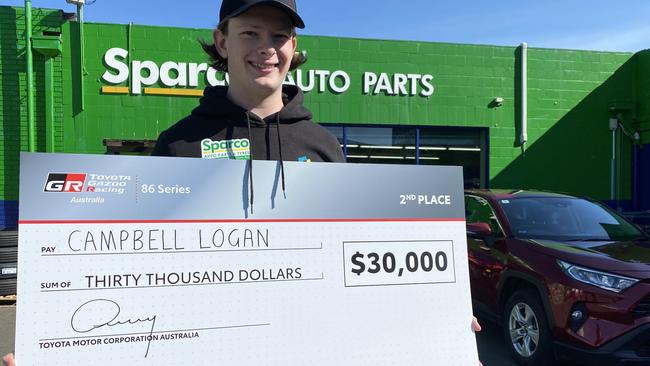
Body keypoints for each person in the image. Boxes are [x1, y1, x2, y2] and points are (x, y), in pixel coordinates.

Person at [3, 1, 480, 364]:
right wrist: (59, 347)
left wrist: (432, 317)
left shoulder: (325, 148)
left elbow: (356, 263)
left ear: (294, 48)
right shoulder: (180, 144)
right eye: (250, 32)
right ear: (222, 41)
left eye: (280, 34)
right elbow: (137, 272)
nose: (266, 47)